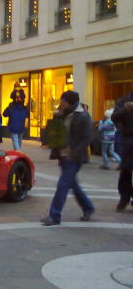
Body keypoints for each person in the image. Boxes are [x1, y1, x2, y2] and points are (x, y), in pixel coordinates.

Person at [41, 91, 95, 226]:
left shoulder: (82, 116)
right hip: (63, 155)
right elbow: (52, 132)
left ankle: (54, 215)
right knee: (73, 185)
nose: (60, 103)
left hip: (74, 157)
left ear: (69, 101)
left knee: (63, 185)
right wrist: (56, 118)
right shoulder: (62, 114)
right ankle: (88, 207)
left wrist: (74, 151)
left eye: (62, 101)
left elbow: (88, 138)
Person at [112, 88, 133, 211]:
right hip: (128, 140)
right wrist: (125, 109)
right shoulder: (124, 101)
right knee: (126, 170)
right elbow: (114, 117)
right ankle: (124, 198)